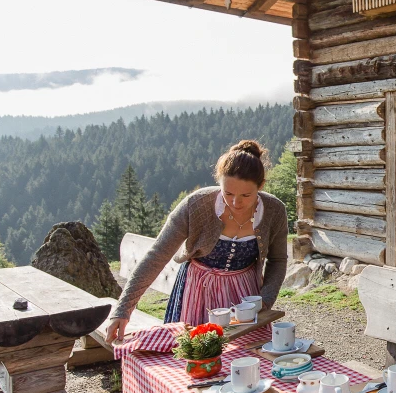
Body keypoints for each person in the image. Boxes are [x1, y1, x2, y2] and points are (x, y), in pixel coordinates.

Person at [104, 139, 288, 341]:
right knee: (196, 354)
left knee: (248, 358)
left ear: (260, 186)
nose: (236, 202)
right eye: (228, 193)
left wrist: (265, 301)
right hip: (198, 292)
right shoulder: (196, 205)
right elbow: (157, 256)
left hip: (245, 297)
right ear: (219, 181)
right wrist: (123, 309)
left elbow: (277, 260)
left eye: (246, 195)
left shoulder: (274, 210)